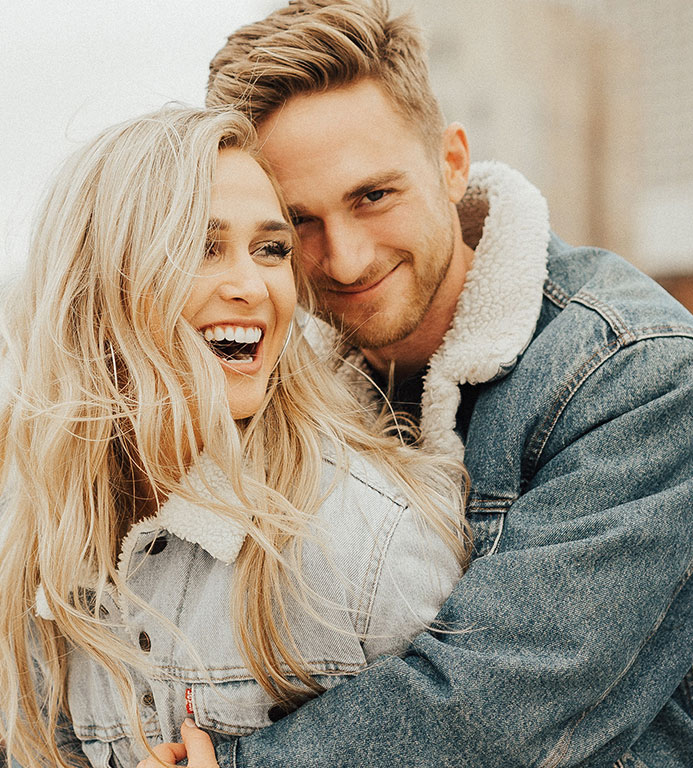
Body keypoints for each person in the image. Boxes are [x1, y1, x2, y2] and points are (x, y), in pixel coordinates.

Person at [174, 1, 693, 766]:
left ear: (451, 162)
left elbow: (505, 705)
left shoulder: (642, 373)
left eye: (373, 196)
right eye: (300, 225)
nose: (348, 259)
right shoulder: (282, 386)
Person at [0, 106, 470, 768]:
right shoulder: (47, 548)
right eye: (202, 247)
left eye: (271, 250)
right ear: (99, 286)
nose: (252, 286)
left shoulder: (368, 542)